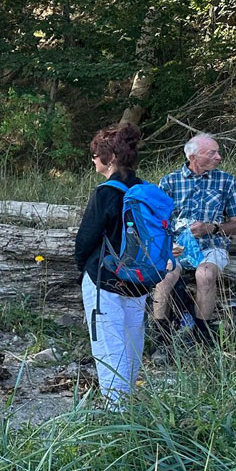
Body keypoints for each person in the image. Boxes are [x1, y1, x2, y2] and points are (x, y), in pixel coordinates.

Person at [74, 122, 151, 407]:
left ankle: (116, 413)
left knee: (109, 344)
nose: (93, 160)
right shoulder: (144, 189)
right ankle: (128, 405)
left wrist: (83, 270)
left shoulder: (106, 192)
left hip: (104, 278)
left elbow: (85, 240)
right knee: (132, 341)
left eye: (96, 154)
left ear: (109, 157)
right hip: (140, 278)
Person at [151, 134, 236, 346]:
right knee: (165, 275)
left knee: (205, 274)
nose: (219, 157)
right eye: (212, 153)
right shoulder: (169, 181)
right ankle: (161, 336)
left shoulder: (226, 181)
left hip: (212, 245)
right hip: (177, 246)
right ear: (193, 156)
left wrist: (213, 227)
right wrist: (166, 245)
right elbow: (157, 222)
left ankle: (202, 336)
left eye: (218, 152)